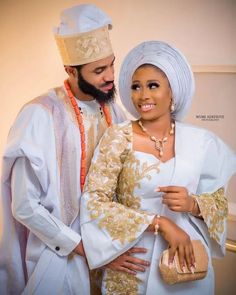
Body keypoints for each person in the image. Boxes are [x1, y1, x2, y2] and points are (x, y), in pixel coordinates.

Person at [80, 40, 236, 294]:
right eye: (136, 87)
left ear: (171, 91)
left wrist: (193, 204)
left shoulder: (200, 141)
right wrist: (160, 222)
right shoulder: (118, 137)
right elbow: (94, 200)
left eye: (153, 85)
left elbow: (218, 201)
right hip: (133, 264)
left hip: (187, 265)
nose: (143, 96)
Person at [0, 4, 135, 295]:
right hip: (59, 258)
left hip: (109, 249)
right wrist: (88, 249)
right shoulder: (39, 115)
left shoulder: (113, 108)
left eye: (112, 64)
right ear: (70, 70)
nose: (111, 76)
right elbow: (24, 205)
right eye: (99, 70)